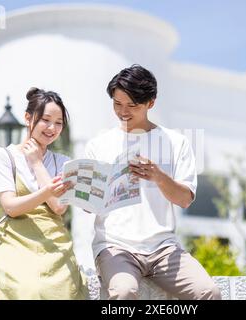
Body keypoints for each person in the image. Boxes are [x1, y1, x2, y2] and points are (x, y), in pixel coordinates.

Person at [85, 65, 222, 300]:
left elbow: (185, 199)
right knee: (123, 292)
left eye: (132, 106)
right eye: (117, 104)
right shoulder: (99, 144)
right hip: (116, 247)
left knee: (208, 293)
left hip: (164, 248)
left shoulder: (176, 142)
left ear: (151, 103)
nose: (123, 112)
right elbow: (89, 206)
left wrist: (157, 176)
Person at [0, 87, 88, 300]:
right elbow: (11, 207)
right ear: (28, 118)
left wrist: (36, 163)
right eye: (46, 120)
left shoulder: (62, 162)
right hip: (13, 239)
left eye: (59, 123)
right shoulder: (4, 156)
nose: (52, 128)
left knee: (63, 289)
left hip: (53, 242)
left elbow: (59, 207)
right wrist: (47, 191)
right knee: (29, 289)